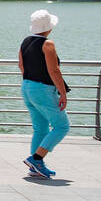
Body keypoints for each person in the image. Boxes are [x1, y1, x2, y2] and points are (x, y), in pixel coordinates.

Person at [18, 9, 70, 178]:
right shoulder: (48, 44)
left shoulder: (25, 42)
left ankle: (35, 168)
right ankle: (37, 159)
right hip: (43, 89)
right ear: (49, 27)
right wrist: (62, 93)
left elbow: (21, 66)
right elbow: (53, 70)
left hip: (27, 86)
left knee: (39, 128)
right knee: (62, 126)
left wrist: (31, 84)